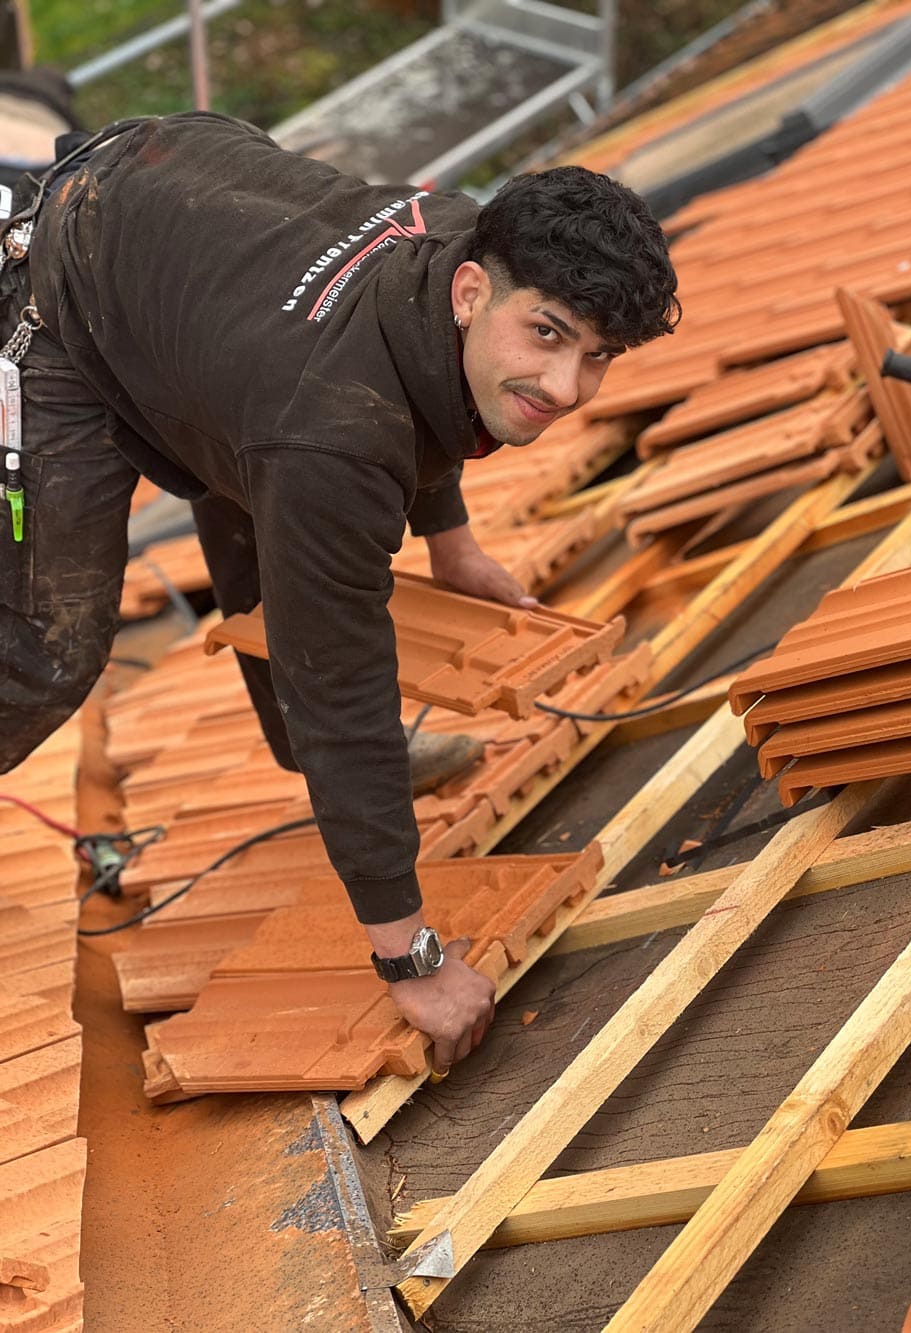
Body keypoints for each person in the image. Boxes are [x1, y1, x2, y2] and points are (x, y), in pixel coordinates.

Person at [0, 111, 679, 1075]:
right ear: (474, 290)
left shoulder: (463, 243)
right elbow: (342, 685)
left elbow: (426, 395)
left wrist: (449, 538)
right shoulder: (328, 439)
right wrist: (411, 957)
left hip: (197, 235)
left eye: (597, 356)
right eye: (548, 336)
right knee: (48, 650)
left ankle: (321, 769)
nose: (567, 387)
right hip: (73, 275)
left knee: (279, 476)